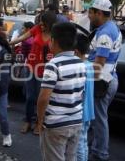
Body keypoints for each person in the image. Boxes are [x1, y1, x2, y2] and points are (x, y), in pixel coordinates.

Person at [37, 22, 86, 161]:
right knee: (71, 158)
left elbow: (43, 98)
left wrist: (40, 121)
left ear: (54, 41)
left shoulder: (53, 65)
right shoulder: (80, 63)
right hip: (76, 121)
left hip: (56, 123)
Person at [9, 11, 57, 135]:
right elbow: (22, 38)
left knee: (40, 99)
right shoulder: (36, 29)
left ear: (50, 24)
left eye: (43, 23)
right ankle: (28, 120)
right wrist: (9, 43)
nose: (40, 24)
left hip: (45, 71)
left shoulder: (55, 35)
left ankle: (39, 122)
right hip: (30, 68)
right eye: (40, 22)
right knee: (30, 97)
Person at [87, 0, 122, 161]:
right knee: (98, 118)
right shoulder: (112, 27)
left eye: (91, 12)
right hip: (109, 78)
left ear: (99, 13)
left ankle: (100, 153)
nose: (88, 16)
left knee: (99, 119)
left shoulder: (105, 33)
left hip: (102, 80)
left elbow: (99, 63)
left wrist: (88, 82)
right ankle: (96, 149)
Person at [75, 34, 95, 161]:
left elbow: (79, 93)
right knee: (83, 141)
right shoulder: (89, 65)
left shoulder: (80, 67)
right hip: (88, 111)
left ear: (76, 52)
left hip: (81, 112)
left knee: (78, 145)